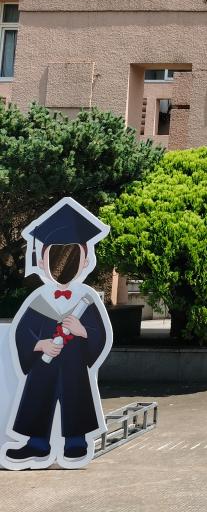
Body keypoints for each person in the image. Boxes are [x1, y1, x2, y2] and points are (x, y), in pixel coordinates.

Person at [2, 198, 112, 470]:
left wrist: (83, 331)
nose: (64, 264)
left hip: (75, 365)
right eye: (56, 255)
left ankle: (76, 442)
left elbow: (100, 336)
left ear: (85, 259)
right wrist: (39, 344)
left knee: (76, 397)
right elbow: (22, 333)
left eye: (73, 254)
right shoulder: (40, 298)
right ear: (42, 260)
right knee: (37, 397)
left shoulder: (86, 297)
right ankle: (37, 444)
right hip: (43, 364)